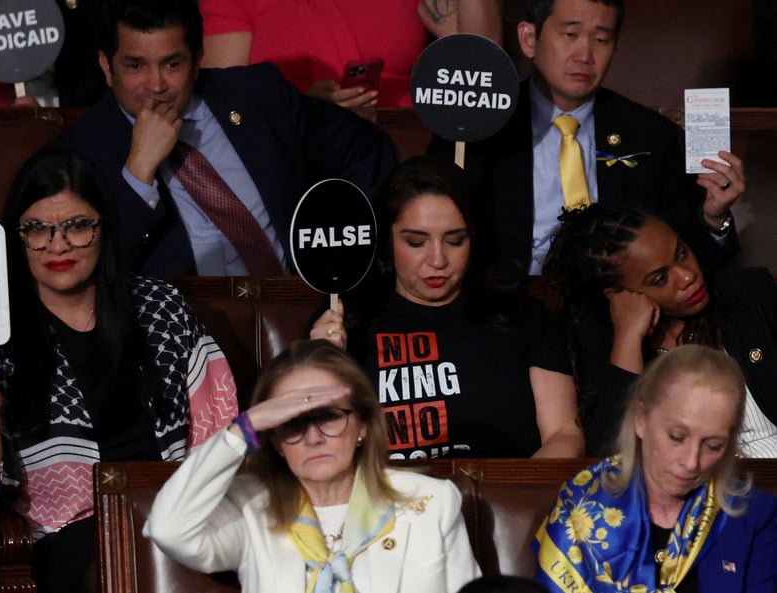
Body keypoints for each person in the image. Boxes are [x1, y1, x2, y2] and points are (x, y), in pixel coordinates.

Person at [0, 149, 238, 592]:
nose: (57, 244)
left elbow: (221, 433)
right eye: (37, 229)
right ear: (17, 236)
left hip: (178, 511)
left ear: (103, 229)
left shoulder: (160, 308)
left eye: (77, 226)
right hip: (68, 533)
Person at [52, 0, 399, 276]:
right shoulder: (77, 152)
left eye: (172, 64)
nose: (155, 85)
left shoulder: (257, 94)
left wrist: (337, 247)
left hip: (299, 310)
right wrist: (138, 174)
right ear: (106, 68)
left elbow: (367, 147)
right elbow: (89, 270)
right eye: (135, 66)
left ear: (198, 59)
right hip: (180, 342)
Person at [430, 0, 745, 276]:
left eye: (601, 39)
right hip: (507, 313)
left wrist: (714, 218)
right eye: (570, 34)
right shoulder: (479, 127)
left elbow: (690, 258)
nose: (585, 54)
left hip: (619, 312)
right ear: (529, 38)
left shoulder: (651, 135)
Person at [147, 339, 482, 593]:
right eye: (293, 423)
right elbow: (169, 528)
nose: (313, 437)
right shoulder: (250, 509)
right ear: (275, 440)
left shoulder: (432, 502)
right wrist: (243, 428)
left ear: (363, 425)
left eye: (328, 416)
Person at [309, 156, 584, 459]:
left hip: (506, 501)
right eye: (416, 242)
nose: (438, 260)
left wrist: (517, 499)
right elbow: (316, 446)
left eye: (455, 241)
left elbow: (563, 435)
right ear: (387, 241)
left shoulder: (523, 317)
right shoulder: (344, 321)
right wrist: (321, 368)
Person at [533, 345, 777, 592]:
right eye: (676, 437)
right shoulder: (580, 506)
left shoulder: (753, 516)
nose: (692, 462)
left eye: (713, 446)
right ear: (641, 419)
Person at [543, 203, 777, 458]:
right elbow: (613, 460)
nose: (687, 276)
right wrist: (629, 337)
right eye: (660, 279)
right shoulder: (607, 348)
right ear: (619, 296)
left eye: (682, 252)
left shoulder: (749, 294)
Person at [198, 0, 503, 108]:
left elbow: (482, 67)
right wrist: (299, 105)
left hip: (405, 151)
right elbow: (227, 107)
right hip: (289, 152)